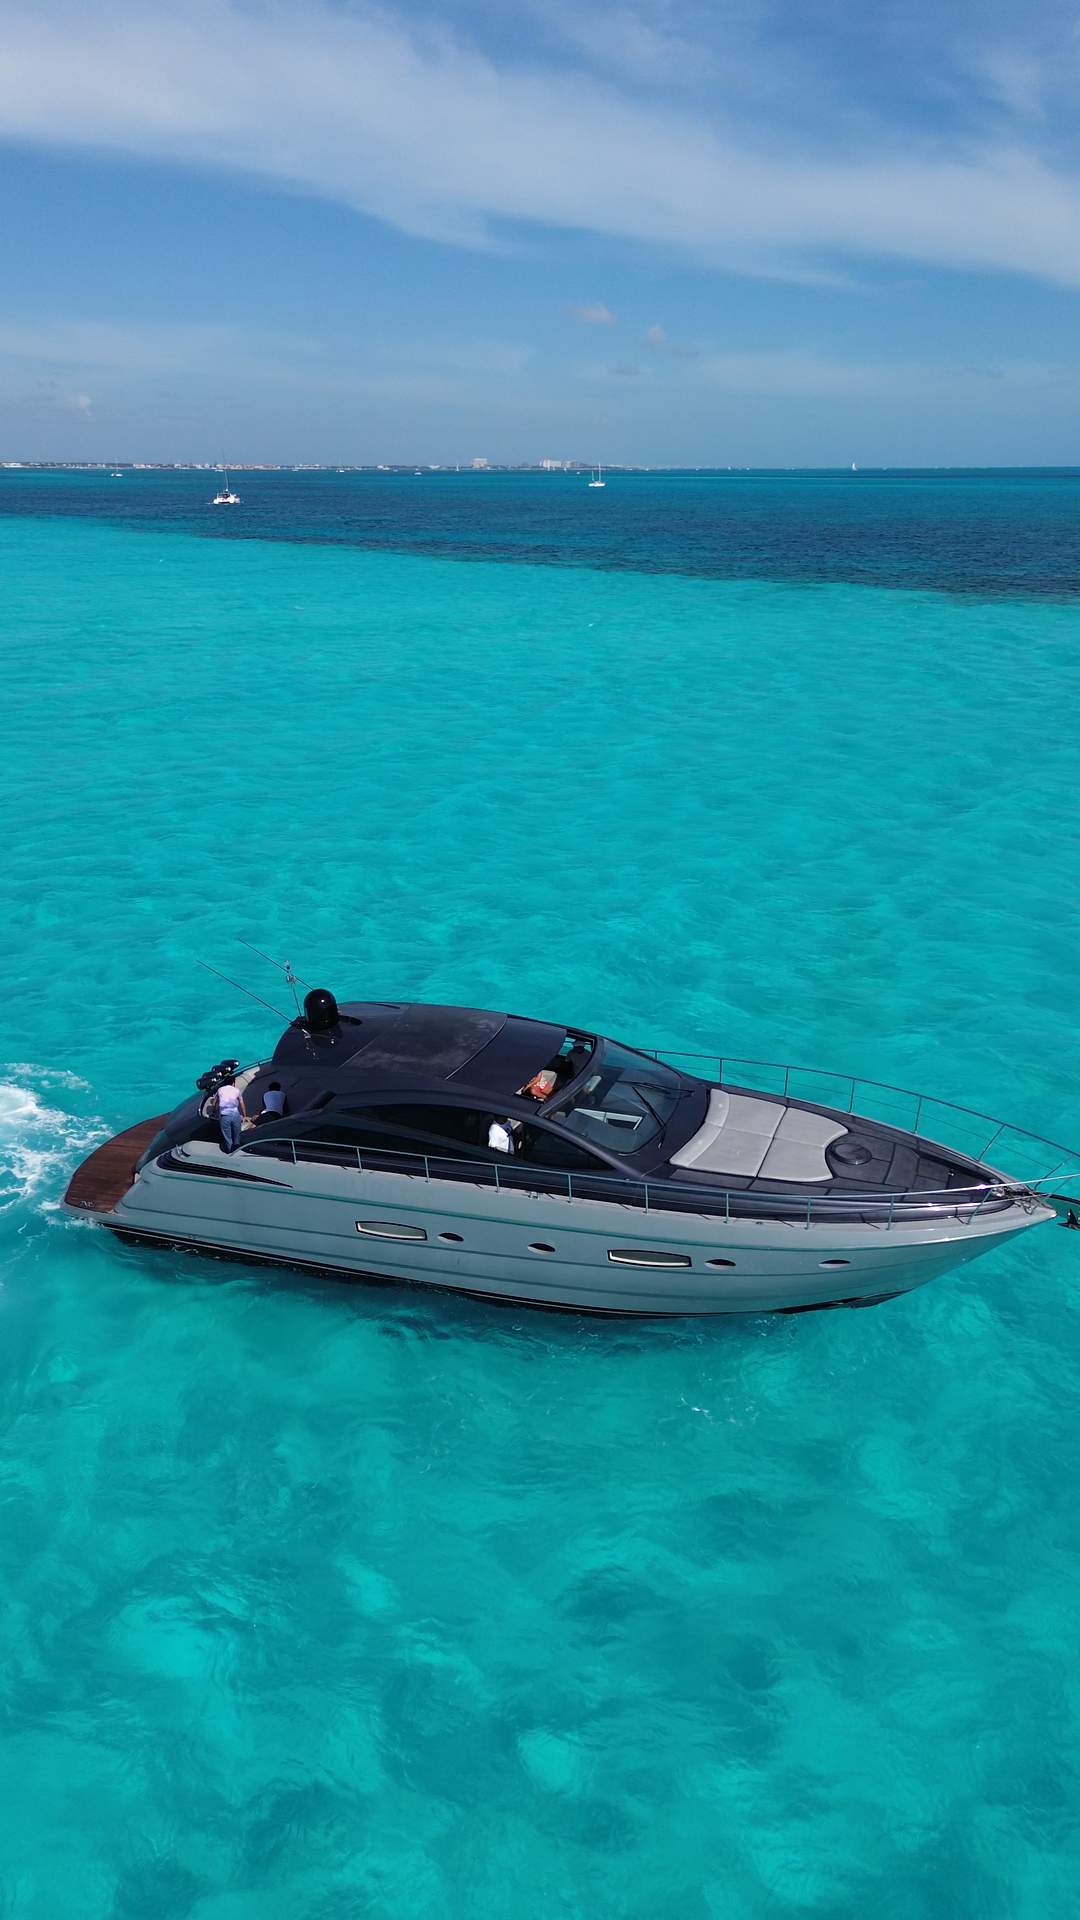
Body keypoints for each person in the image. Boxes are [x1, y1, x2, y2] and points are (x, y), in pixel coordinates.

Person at [215, 1076, 247, 1152]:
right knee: (237, 1135)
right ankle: (237, 1149)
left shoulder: (220, 1090)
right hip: (235, 1116)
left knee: (227, 1136)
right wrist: (244, 1116)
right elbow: (242, 1106)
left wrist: (214, 1111)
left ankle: (230, 1150)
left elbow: (215, 1103)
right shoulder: (237, 1091)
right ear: (233, 1083)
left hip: (224, 1116)